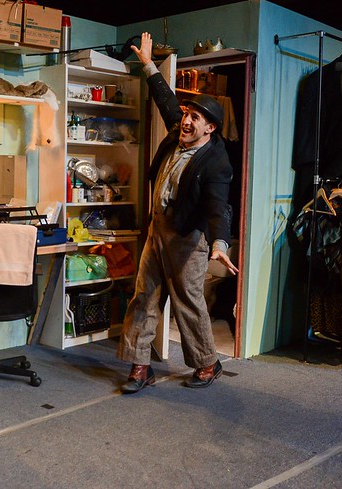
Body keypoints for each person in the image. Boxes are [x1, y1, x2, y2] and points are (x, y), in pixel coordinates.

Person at [117, 32, 238, 393]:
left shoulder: (217, 163)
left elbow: (218, 206)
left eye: (195, 117)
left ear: (210, 128)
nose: (186, 120)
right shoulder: (178, 132)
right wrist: (149, 64)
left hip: (189, 236)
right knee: (144, 296)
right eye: (187, 114)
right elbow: (165, 100)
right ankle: (140, 366)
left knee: (188, 302)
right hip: (159, 229)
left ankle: (207, 363)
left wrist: (220, 243)